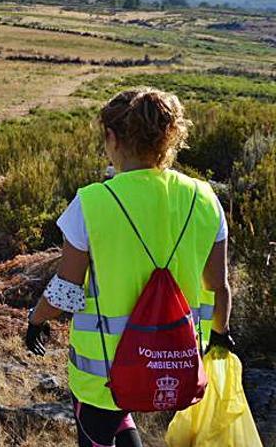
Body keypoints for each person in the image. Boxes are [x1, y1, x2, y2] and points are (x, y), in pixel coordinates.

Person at [25, 89, 234, 447]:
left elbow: (65, 289)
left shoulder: (91, 202)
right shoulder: (204, 198)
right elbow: (219, 286)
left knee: (101, 430)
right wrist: (220, 333)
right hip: (175, 360)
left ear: (112, 137)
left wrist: (36, 320)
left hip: (103, 371)